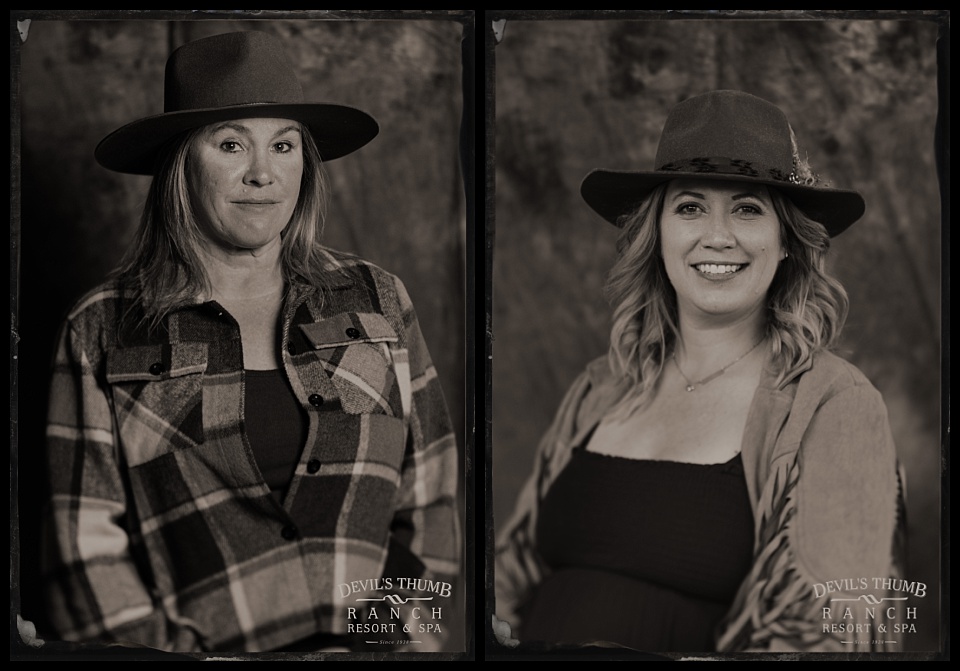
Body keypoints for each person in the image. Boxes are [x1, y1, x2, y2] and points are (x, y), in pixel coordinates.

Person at [40, 30, 460, 654]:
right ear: (182, 162)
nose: (263, 173)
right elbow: (84, 551)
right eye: (232, 144)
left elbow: (430, 504)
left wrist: (391, 644)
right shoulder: (102, 326)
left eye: (283, 145)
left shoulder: (377, 299)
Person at [494, 90, 906, 653]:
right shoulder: (601, 385)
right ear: (656, 232)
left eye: (747, 208)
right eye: (689, 206)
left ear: (787, 239)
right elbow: (513, 571)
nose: (717, 235)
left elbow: (834, 634)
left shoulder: (835, 404)